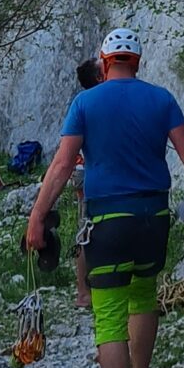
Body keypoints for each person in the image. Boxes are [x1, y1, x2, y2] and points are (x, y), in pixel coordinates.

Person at [22, 27, 184, 368]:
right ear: (138, 62)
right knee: (144, 296)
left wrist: (38, 216)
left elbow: (61, 166)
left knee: (110, 314)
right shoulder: (161, 99)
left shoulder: (85, 103)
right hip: (153, 218)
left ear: (103, 60)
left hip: (108, 222)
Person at [69, 56, 102, 314]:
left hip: (84, 171)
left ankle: (86, 289)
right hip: (89, 173)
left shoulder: (85, 104)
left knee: (88, 231)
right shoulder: (94, 104)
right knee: (87, 233)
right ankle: (83, 291)